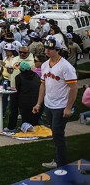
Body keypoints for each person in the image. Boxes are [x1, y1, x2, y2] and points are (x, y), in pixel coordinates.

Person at [33, 37, 78, 169]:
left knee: (58, 134)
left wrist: (68, 107)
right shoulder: (45, 64)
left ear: (57, 50)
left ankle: (61, 163)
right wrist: (38, 104)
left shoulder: (66, 66)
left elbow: (74, 88)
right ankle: (60, 161)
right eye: (46, 48)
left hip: (61, 106)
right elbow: (43, 85)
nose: (47, 50)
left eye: (50, 48)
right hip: (49, 104)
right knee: (55, 133)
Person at [13, 61, 41, 128]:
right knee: (35, 119)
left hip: (24, 101)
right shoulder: (36, 75)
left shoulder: (18, 77)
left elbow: (18, 90)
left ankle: (28, 132)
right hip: (36, 100)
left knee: (26, 119)